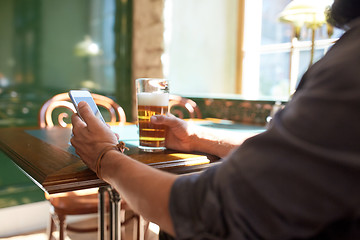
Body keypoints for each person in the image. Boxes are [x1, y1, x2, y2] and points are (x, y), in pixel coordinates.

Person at [70, 0, 360, 239]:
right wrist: (196, 138)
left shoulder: (349, 63)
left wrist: (104, 157)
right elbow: (299, 163)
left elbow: (206, 211)